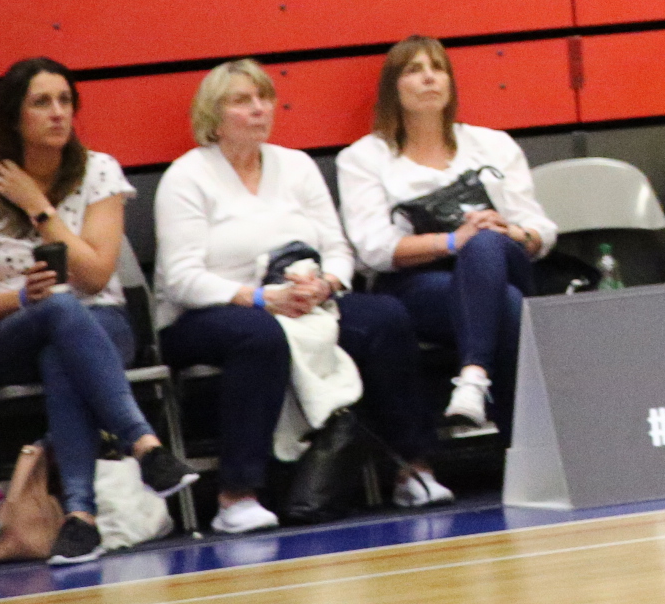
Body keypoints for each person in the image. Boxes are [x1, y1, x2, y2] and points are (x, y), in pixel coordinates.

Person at [156, 60, 447, 534]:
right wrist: (260, 297)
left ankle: (413, 469)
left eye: (264, 98)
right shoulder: (187, 177)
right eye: (242, 101)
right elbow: (181, 279)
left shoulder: (297, 166)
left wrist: (327, 284)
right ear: (213, 116)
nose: (258, 109)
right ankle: (237, 495)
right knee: (259, 336)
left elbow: (338, 249)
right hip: (209, 312)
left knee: (385, 317)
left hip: (305, 301)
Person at [0, 64, 198, 562]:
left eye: (64, 100)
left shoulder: (99, 172)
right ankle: (144, 444)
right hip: (7, 337)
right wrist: (21, 299)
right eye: (41, 102)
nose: (57, 113)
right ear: (13, 117)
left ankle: (80, 519)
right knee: (57, 305)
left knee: (63, 350)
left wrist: (38, 207)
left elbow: (95, 277)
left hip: (100, 322)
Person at [337, 37, 557, 441]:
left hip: (503, 259)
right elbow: (374, 249)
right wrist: (454, 241)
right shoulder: (363, 158)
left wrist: (510, 231)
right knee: (507, 304)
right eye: (414, 70)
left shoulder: (493, 144)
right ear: (393, 88)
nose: (429, 78)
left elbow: (540, 229)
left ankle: (473, 377)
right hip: (418, 282)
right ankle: (523, 445)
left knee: (486, 242)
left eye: (437, 68)